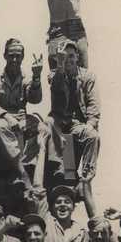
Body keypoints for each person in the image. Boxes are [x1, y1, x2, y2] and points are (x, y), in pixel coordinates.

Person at [0, 38, 43, 189]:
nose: (15, 59)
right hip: (0, 118)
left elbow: (35, 99)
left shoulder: (26, 78)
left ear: (23, 57)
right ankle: (21, 172)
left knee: (42, 128)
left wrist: (37, 78)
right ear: (4, 56)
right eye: (11, 55)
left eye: (18, 56)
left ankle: (27, 166)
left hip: (21, 118)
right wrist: (8, 117)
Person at [48, 40, 101, 184]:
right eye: (64, 56)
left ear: (77, 57)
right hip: (59, 122)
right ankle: (62, 168)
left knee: (92, 135)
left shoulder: (87, 77)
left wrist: (90, 124)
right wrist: (60, 66)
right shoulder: (55, 75)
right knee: (49, 123)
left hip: (77, 124)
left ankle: (86, 177)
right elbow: (57, 86)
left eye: (71, 56)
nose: (68, 60)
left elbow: (93, 104)